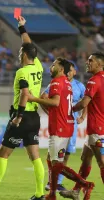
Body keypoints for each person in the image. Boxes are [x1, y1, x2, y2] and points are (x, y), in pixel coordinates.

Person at [0, 16, 45, 200]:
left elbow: (24, 94)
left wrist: (18, 117)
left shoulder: (22, 72)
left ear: (25, 55)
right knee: (35, 156)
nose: (19, 54)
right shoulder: (38, 66)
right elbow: (29, 44)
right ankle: (40, 194)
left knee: (3, 153)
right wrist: (22, 27)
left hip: (22, 117)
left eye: (21, 52)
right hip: (34, 117)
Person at [27, 58, 94, 200]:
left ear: (61, 69)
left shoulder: (57, 82)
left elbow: (55, 102)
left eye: (53, 65)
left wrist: (34, 99)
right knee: (52, 160)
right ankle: (52, 193)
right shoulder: (67, 83)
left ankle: (85, 184)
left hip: (60, 127)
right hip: (66, 125)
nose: (51, 67)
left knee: (56, 164)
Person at [59, 52, 104, 200]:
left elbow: (84, 103)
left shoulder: (93, 81)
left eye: (90, 61)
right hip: (98, 127)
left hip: (97, 128)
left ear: (99, 64)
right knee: (85, 157)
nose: (87, 62)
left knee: (101, 162)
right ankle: (76, 190)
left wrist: (68, 110)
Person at [42, 63, 87, 191]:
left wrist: (83, 116)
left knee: (66, 153)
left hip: (71, 124)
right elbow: (44, 96)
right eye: (67, 70)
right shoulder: (58, 83)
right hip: (60, 122)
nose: (68, 72)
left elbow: (86, 102)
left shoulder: (79, 86)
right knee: (53, 154)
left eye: (71, 70)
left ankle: (58, 182)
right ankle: (52, 182)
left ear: (75, 72)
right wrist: (49, 112)